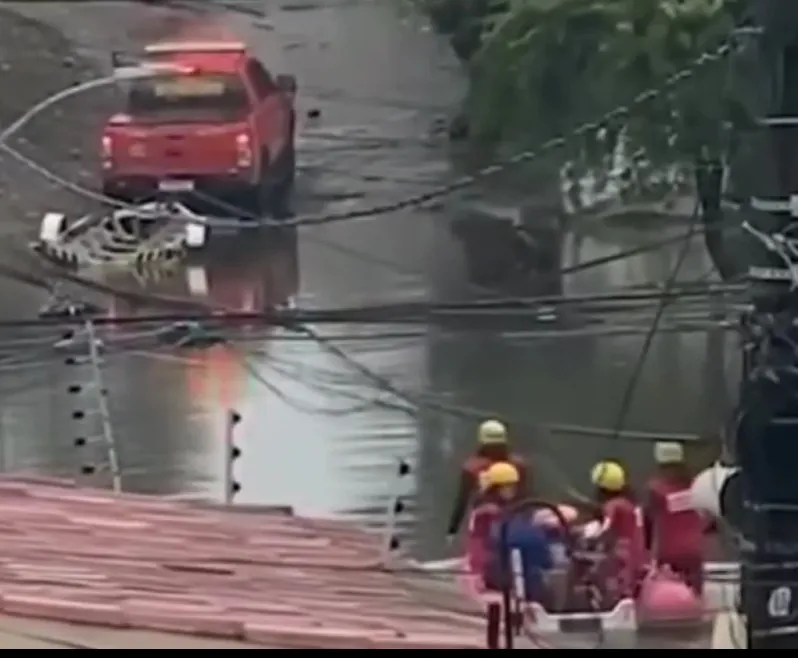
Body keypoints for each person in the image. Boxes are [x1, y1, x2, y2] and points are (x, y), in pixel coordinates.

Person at [470, 462, 553, 603]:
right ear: (496, 488)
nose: (512, 490)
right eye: (507, 486)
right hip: (490, 560)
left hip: (503, 555)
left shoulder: (509, 506)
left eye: (513, 486)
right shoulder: (487, 510)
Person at [447, 419, 526, 540]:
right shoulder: (519, 465)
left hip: (483, 526)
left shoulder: (471, 468)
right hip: (516, 522)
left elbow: (462, 502)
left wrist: (452, 530)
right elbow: (527, 496)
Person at [644, 441, 706, 595]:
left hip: (668, 553)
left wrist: (648, 552)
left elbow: (649, 523)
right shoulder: (696, 485)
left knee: (670, 600)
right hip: (694, 551)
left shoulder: (655, 489)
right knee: (695, 599)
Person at [587, 460, 646, 598]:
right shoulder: (632, 505)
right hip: (639, 563)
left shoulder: (613, 506)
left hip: (622, 567)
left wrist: (590, 539)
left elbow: (604, 530)